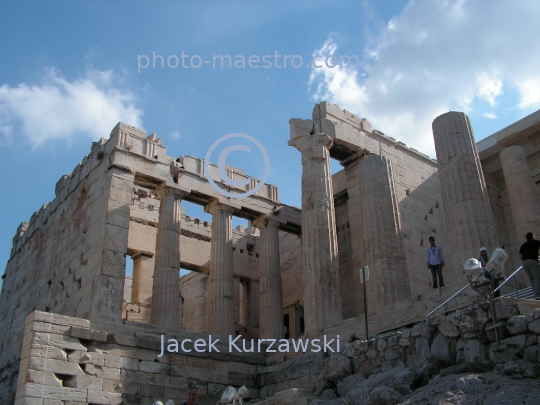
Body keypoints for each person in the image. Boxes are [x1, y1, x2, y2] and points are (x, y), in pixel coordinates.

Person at [519, 232, 540, 300]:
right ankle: (537, 294)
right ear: (533, 237)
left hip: (525, 263)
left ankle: (534, 293)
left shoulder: (523, 245)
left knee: (531, 277)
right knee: (537, 277)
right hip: (533, 261)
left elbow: (520, 257)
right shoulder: (536, 242)